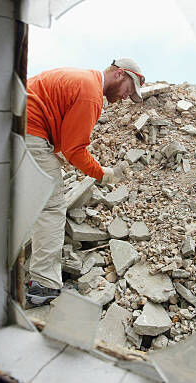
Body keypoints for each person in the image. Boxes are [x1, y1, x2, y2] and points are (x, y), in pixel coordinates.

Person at [25, 58, 145, 306]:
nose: (125, 97)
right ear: (120, 74)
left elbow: (63, 136)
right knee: (50, 206)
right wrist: (104, 173)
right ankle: (43, 286)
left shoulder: (84, 79)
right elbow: (75, 150)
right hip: (29, 130)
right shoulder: (91, 95)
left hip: (15, 125)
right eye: (128, 90)